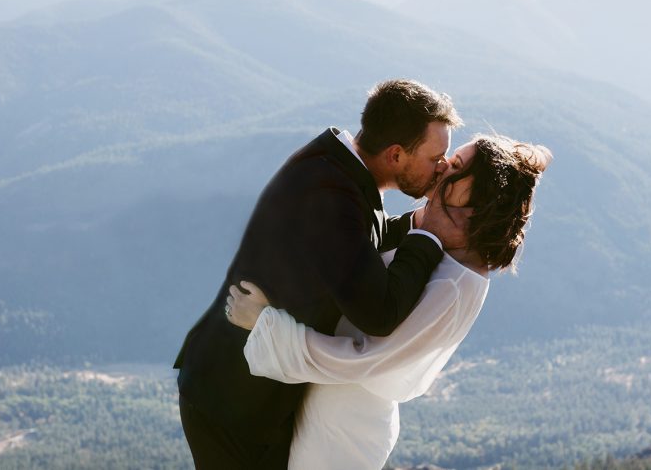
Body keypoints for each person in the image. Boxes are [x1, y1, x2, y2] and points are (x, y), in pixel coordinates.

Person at [173, 79, 470, 469]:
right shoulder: (330, 194)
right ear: (396, 155)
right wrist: (428, 236)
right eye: (436, 157)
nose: (443, 168)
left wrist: (416, 222)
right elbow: (379, 314)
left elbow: (361, 240)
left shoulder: (340, 171)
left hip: (253, 395)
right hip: (232, 402)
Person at [226, 134, 551, 470]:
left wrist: (264, 323)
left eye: (455, 165)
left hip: (343, 432)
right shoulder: (446, 251)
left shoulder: (456, 283)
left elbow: (367, 358)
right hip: (330, 406)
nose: (442, 166)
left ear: (479, 198)